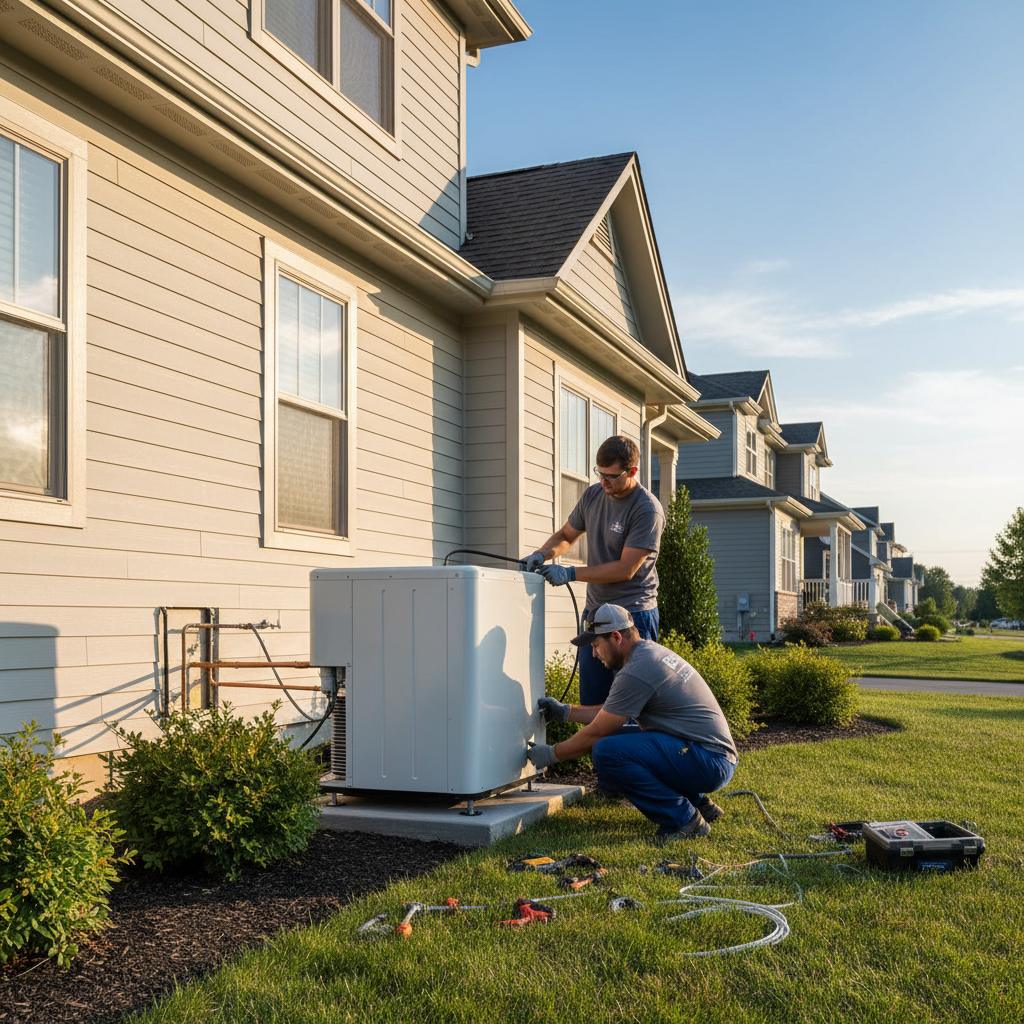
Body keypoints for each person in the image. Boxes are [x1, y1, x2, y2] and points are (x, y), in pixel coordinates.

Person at [525, 603, 737, 843]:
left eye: (596, 645)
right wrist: (566, 712)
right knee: (615, 739)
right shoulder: (648, 654)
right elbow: (611, 713)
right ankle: (700, 803)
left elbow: (595, 734)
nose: (594, 654)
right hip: (708, 754)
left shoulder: (637, 669)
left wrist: (551, 754)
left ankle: (684, 821)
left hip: (710, 761)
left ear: (616, 637)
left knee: (605, 751)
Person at [522, 435, 665, 711]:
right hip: (596, 615)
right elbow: (566, 534)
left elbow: (626, 569)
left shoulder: (647, 510)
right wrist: (542, 554)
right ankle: (597, 754)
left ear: (632, 472)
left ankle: (630, 754)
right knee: (593, 703)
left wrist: (571, 573)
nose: (604, 482)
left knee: (632, 708)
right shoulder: (593, 495)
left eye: (611, 476)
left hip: (633, 616)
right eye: (600, 474)